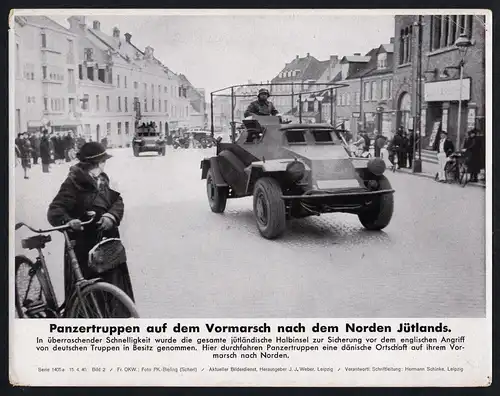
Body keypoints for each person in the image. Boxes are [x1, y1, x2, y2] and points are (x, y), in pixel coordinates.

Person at [47, 142, 135, 306]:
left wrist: (110, 216)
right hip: (84, 247)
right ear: (95, 163)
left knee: (114, 293)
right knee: (88, 295)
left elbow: (117, 200)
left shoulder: (103, 178)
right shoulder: (73, 183)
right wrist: (69, 221)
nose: (104, 164)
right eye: (103, 161)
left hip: (107, 245)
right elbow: (55, 210)